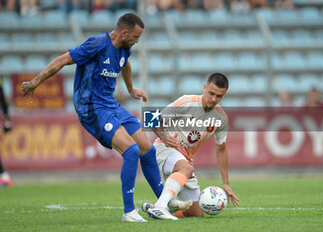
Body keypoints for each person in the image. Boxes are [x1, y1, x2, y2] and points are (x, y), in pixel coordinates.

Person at [21, 13, 176, 222]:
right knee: (131, 151)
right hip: (91, 107)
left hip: (110, 104)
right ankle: (129, 212)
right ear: (123, 32)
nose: (138, 41)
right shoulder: (97, 44)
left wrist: (131, 89)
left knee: (147, 149)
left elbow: (125, 64)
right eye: (136, 36)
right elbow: (62, 60)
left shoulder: (124, 48)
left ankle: (162, 204)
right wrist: (34, 83)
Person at [143, 73, 240, 220]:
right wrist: (164, 137)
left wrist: (225, 183)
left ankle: (158, 208)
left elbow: (221, 149)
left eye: (219, 96)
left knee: (195, 213)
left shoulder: (221, 118)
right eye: (211, 93)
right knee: (187, 168)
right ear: (204, 88)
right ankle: (160, 207)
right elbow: (151, 118)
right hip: (165, 148)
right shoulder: (187, 102)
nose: (214, 99)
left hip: (185, 159)